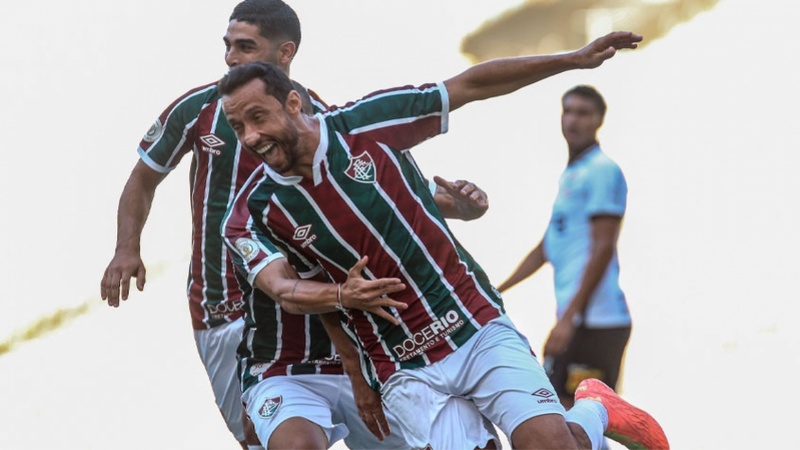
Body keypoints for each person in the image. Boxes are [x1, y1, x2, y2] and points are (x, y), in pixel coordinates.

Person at [219, 30, 669, 450]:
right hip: (400, 365)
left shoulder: (366, 124)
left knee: (549, 444)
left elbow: (469, 85)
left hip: (472, 323)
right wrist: (353, 356)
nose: (252, 136)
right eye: (239, 127)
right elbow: (286, 289)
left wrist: (571, 60)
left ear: (293, 103)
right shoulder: (253, 210)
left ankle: (595, 409)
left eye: (259, 117)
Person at [99, 0, 491, 448]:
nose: (230, 57)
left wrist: (456, 206)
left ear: (285, 53)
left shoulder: (324, 121)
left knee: (396, 435)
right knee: (262, 439)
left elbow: (389, 200)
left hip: (322, 306)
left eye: (245, 47)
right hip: (223, 309)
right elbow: (143, 177)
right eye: (227, 46)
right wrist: (126, 247)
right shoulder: (198, 108)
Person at [497, 85, 632, 411]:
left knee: (577, 416)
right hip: (575, 321)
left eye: (583, 113)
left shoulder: (602, 170)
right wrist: (495, 290)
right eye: (568, 111)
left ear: (599, 119)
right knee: (560, 412)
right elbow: (546, 248)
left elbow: (602, 249)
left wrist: (569, 320)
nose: (572, 120)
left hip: (596, 323)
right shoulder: (573, 173)